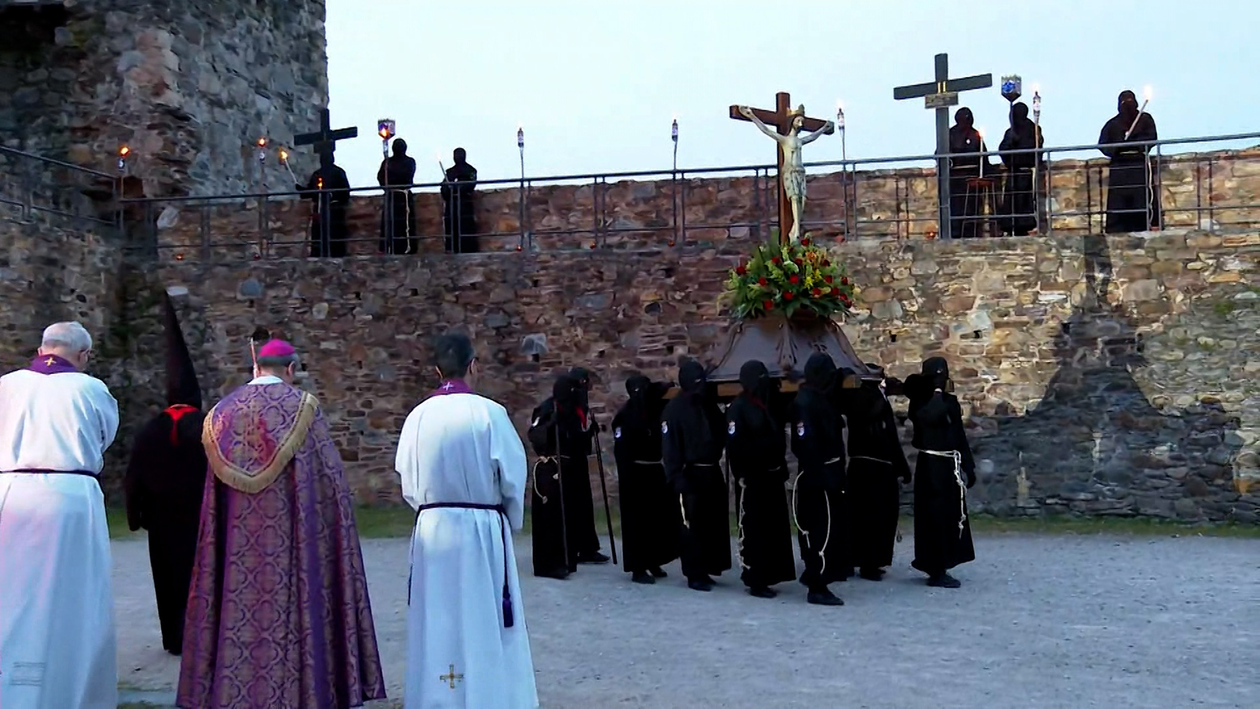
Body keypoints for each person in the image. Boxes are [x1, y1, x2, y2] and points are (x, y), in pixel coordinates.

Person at [178, 339, 385, 708]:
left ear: (255, 368)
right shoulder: (303, 408)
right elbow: (328, 481)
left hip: (236, 551)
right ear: (291, 369)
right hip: (292, 543)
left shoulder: (220, 415)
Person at [395, 333, 538, 709]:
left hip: (433, 529)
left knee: (438, 616)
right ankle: (489, 696)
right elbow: (512, 476)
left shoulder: (417, 417)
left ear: (437, 370)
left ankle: (435, 697)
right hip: (481, 530)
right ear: (473, 366)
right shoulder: (489, 413)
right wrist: (507, 519)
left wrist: (434, 509)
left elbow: (408, 483)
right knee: (482, 616)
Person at [0, 322, 119, 709]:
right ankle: (66, 689)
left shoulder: (7, 385)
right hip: (70, 498)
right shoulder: (90, 388)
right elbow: (104, 435)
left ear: (41, 348)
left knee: (12, 593)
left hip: (11, 493)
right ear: (83, 356)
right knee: (73, 596)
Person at [123, 294, 208, 655]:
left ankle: (174, 638)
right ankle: (204, 635)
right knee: (201, 576)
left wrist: (135, 515)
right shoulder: (208, 427)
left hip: (161, 521)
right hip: (202, 518)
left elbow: (133, 476)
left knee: (167, 577)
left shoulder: (149, 430)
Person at [725, 361, 796, 599]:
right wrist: (742, 474)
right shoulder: (738, 408)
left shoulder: (765, 404)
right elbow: (735, 446)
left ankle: (771, 573)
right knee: (755, 529)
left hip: (772, 475)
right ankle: (756, 578)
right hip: (753, 477)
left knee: (773, 529)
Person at [904, 357, 976, 589]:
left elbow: (958, 434)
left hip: (948, 465)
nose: (942, 379)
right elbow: (928, 417)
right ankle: (933, 566)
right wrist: (935, 393)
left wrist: (968, 464)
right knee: (933, 515)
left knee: (950, 515)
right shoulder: (919, 402)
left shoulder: (950, 402)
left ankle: (946, 561)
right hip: (931, 465)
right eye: (937, 376)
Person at [835, 364, 911, 582]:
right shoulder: (859, 397)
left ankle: (873, 560)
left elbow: (892, 439)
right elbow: (867, 413)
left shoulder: (878, 398)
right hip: (865, 467)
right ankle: (861, 560)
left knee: (879, 518)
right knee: (863, 517)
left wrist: (901, 466)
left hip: (881, 467)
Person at [661, 359, 731, 592]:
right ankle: (694, 572)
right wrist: (676, 476)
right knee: (692, 524)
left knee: (712, 522)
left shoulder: (707, 404)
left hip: (710, 468)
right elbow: (670, 446)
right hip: (689, 473)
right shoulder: (674, 410)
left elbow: (718, 430)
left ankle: (708, 566)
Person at [788, 353, 848, 606]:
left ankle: (820, 574)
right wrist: (821, 476)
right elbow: (805, 443)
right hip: (818, 476)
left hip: (828, 472)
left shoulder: (819, 397)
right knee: (819, 531)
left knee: (830, 529)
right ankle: (817, 584)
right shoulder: (805, 403)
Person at [610, 374, 679, 584]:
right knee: (637, 522)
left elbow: (659, 389)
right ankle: (637, 566)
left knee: (656, 519)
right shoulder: (624, 416)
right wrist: (626, 477)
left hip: (654, 470)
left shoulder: (653, 407)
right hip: (634, 474)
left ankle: (653, 559)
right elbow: (621, 450)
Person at [526, 375, 578, 579]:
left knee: (566, 517)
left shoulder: (570, 408)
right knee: (550, 517)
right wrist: (550, 426)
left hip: (565, 467)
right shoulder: (547, 409)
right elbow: (535, 434)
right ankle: (548, 564)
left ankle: (566, 559)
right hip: (549, 468)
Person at [1099, 90, 1162, 233]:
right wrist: (1119, 145)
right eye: (1124, 102)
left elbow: (1151, 137)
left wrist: (1134, 143)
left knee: (1143, 197)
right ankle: (1117, 229)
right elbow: (1103, 144)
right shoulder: (1113, 124)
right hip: (1120, 166)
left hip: (1138, 163)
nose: (1127, 105)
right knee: (1119, 201)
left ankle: (1148, 224)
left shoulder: (1144, 119)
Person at [566, 366, 610, 564]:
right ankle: (573, 547)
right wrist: (585, 435)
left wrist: (589, 434)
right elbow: (570, 436)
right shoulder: (565, 406)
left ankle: (587, 547)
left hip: (579, 460)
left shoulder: (580, 407)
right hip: (568, 462)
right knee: (573, 505)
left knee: (584, 504)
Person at [948, 107, 996, 238]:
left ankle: (972, 234)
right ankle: (955, 234)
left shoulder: (975, 135)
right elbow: (941, 155)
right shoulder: (950, 134)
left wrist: (989, 173)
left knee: (972, 211)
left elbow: (983, 157)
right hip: (956, 180)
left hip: (973, 180)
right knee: (956, 211)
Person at [998, 101, 1044, 236]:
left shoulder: (1033, 129)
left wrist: (1020, 149)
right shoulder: (1011, 131)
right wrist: (1011, 146)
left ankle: (1023, 225)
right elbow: (1003, 149)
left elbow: (1036, 148)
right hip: (1014, 170)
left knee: (1024, 200)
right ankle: (1010, 225)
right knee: (1011, 201)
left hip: (1025, 170)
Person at [298, 149, 352, 257]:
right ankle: (321, 252)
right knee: (321, 234)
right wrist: (301, 190)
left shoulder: (336, 172)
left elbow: (345, 192)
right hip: (322, 209)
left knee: (334, 234)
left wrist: (334, 196)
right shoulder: (319, 174)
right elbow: (311, 192)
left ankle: (333, 253)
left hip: (333, 209)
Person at [377, 137, 418, 255]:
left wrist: (392, 179)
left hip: (403, 196)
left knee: (405, 224)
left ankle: (408, 247)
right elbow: (381, 178)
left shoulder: (409, 161)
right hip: (392, 196)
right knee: (389, 223)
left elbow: (407, 176)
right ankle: (388, 247)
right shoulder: (387, 162)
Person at [442, 147, 479, 254]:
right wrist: (448, 190)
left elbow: (470, 185)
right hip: (452, 205)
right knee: (452, 229)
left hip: (464, 205)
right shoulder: (450, 172)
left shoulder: (470, 170)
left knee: (466, 228)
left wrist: (457, 188)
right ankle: (451, 248)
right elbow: (443, 188)